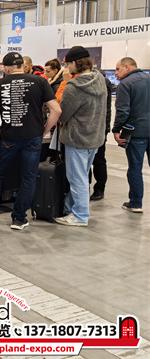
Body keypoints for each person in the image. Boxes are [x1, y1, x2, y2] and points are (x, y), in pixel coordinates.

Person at [0, 52, 61, 230]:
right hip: (33, 138)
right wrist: (44, 131)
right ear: (22, 65)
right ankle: (19, 218)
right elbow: (56, 110)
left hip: (9, 137)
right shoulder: (40, 81)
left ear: (7, 68)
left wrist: (0, 132)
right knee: (29, 178)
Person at [54, 46, 107, 227]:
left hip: (77, 138)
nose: (66, 68)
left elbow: (62, 115)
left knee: (77, 179)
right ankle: (70, 208)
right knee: (81, 177)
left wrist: (64, 84)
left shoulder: (73, 87)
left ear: (76, 63)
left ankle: (80, 215)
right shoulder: (100, 79)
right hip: (95, 137)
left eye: (68, 63)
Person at [113, 57, 150, 213]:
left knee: (135, 168)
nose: (115, 73)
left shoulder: (126, 84)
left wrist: (116, 130)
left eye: (118, 69)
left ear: (127, 67)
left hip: (136, 133)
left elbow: (122, 111)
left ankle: (135, 203)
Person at [89, 69, 113, 201]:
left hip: (98, 127)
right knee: (97, 159)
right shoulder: (104, 83)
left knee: (97, 160)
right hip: (100, 127)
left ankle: (99, 188)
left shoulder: (101, 83)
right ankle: (97, 188)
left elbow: (105, 110)